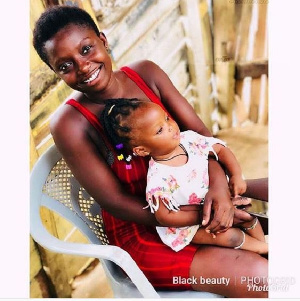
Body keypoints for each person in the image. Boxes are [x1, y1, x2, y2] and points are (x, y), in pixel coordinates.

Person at [32, 5, 268, 297]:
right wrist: (202, 215)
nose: (82, 67)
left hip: (198, 187)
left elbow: (201, 138)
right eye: (65, 65)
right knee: (261, 277)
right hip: (150, 227)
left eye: (86, 49)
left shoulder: (146, 74)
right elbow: (116, 202)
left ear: (103, 40)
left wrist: (219, 190)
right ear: (55, 73)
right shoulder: (70, 123)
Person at [100, 98, 268, 254]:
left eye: (166, 118)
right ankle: (264, 250)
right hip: (192, 226)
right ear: (142, 150)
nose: (170, 127)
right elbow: (165, 216)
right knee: (231, 236)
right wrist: (205, 216)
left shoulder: (189, 140)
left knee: (248, 217)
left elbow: (220, 150)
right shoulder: (159, 178)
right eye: (160, 130)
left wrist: (236, 175)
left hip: (220, 202)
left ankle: (264, 250)